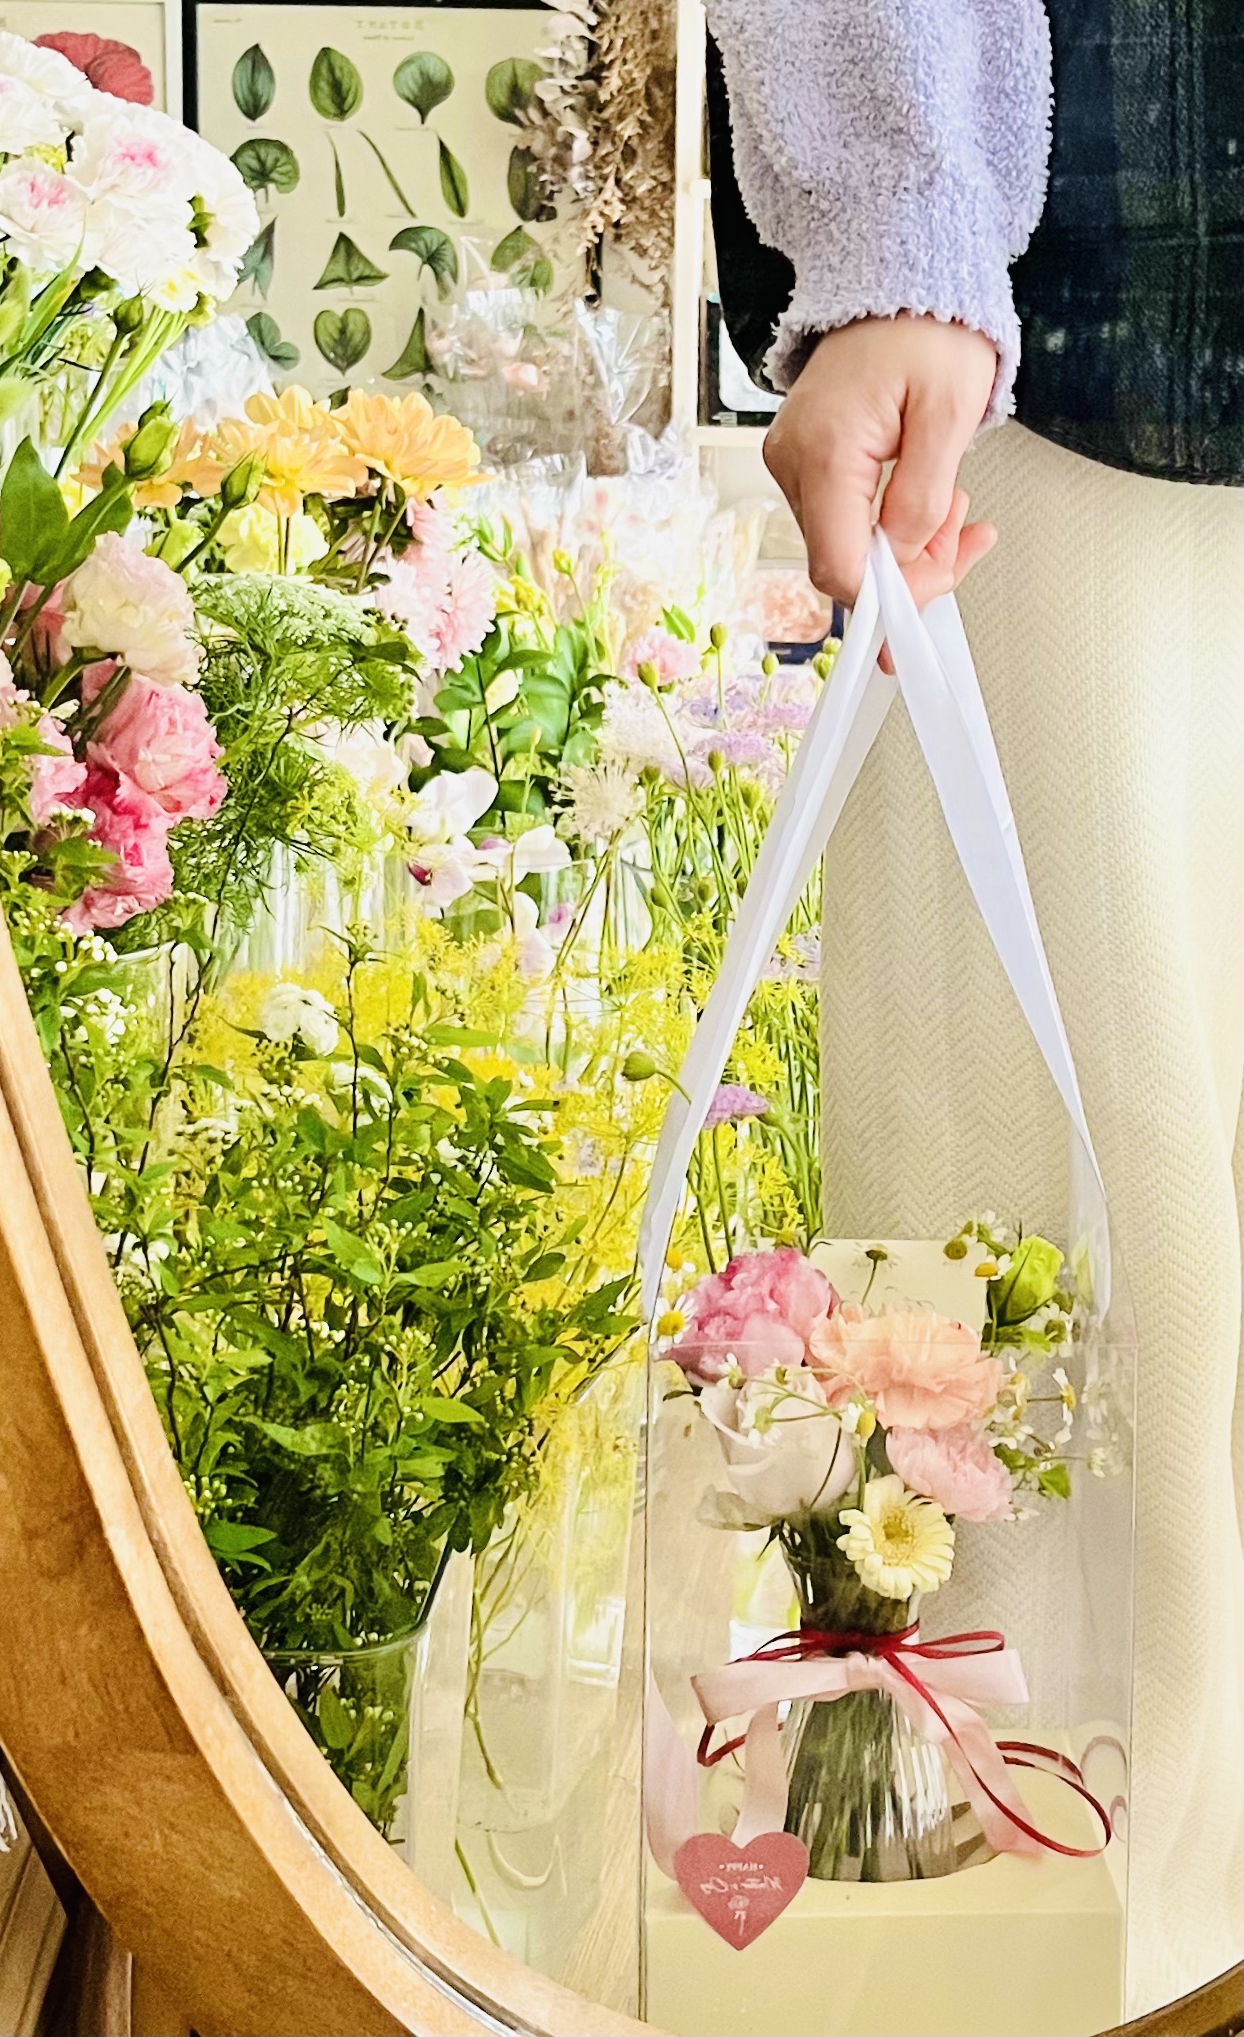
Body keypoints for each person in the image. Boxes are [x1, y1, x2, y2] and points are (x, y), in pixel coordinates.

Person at [703, 0, 1242, 2016]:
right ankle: (1069, 1958)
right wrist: (900, 224)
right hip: (1086, 315)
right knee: (1056, 1310)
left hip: (1098, 297)